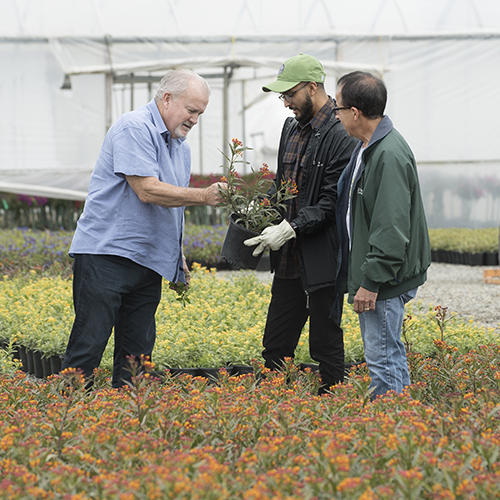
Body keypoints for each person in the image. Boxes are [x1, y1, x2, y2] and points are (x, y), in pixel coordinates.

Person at [62, 69, 226, 388]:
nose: (195, 120)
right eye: (191, 110)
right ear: (167, 99)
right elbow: (147, 190)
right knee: (88, 346)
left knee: (137, 358)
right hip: (107, 256)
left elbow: (173, 209)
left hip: (148, 263)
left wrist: (177, 260)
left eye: (200, 113)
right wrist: (204, 196)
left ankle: (127, 428)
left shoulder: (181, 147)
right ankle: (67, 422)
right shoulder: (134, 127)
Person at [244, 54, 357, 393]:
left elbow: (331, 201)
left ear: (312, 88)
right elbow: (285, 184)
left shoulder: (340, 134)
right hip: (290, 257)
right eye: (282, 96)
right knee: (276, 344)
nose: (285, 103)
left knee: (325, 342)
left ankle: (333, 407)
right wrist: (263, 205)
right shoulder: (291, 127)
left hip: (322, 255)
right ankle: (277, 409)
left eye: (289, 94)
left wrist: (291, 227)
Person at [334, 71, 431, 398]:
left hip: (383, 282)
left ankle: (389, 432)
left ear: (355, 112)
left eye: (338, 109)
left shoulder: (387, 154)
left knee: (383, 358)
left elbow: (391, 229)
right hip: (379, 277)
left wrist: (371, 282)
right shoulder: (370, 146)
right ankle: (401, 420)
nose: (337, 116)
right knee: (388, 353)